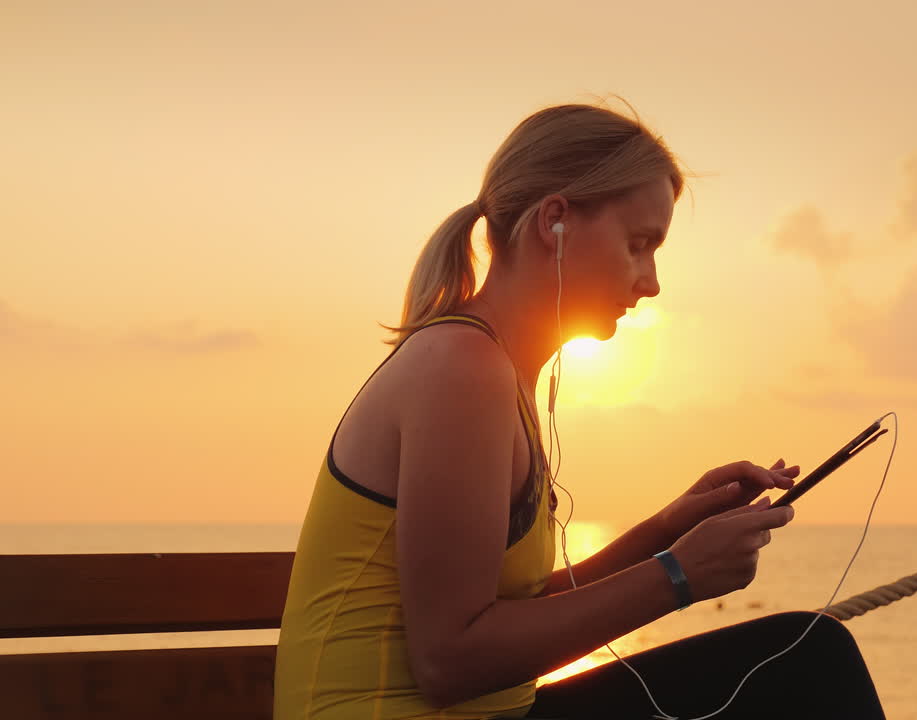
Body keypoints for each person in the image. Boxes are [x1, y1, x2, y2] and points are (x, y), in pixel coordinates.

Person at [273, 98, 886, 720]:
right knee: (810, 665)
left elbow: (509, 610)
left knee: (800, 657)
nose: (650, 283)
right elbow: (449, 660)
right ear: (555, 222)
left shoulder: (495, 370)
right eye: (639, 244)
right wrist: (677, 576)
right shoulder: (461, 369)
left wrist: (666, 531)